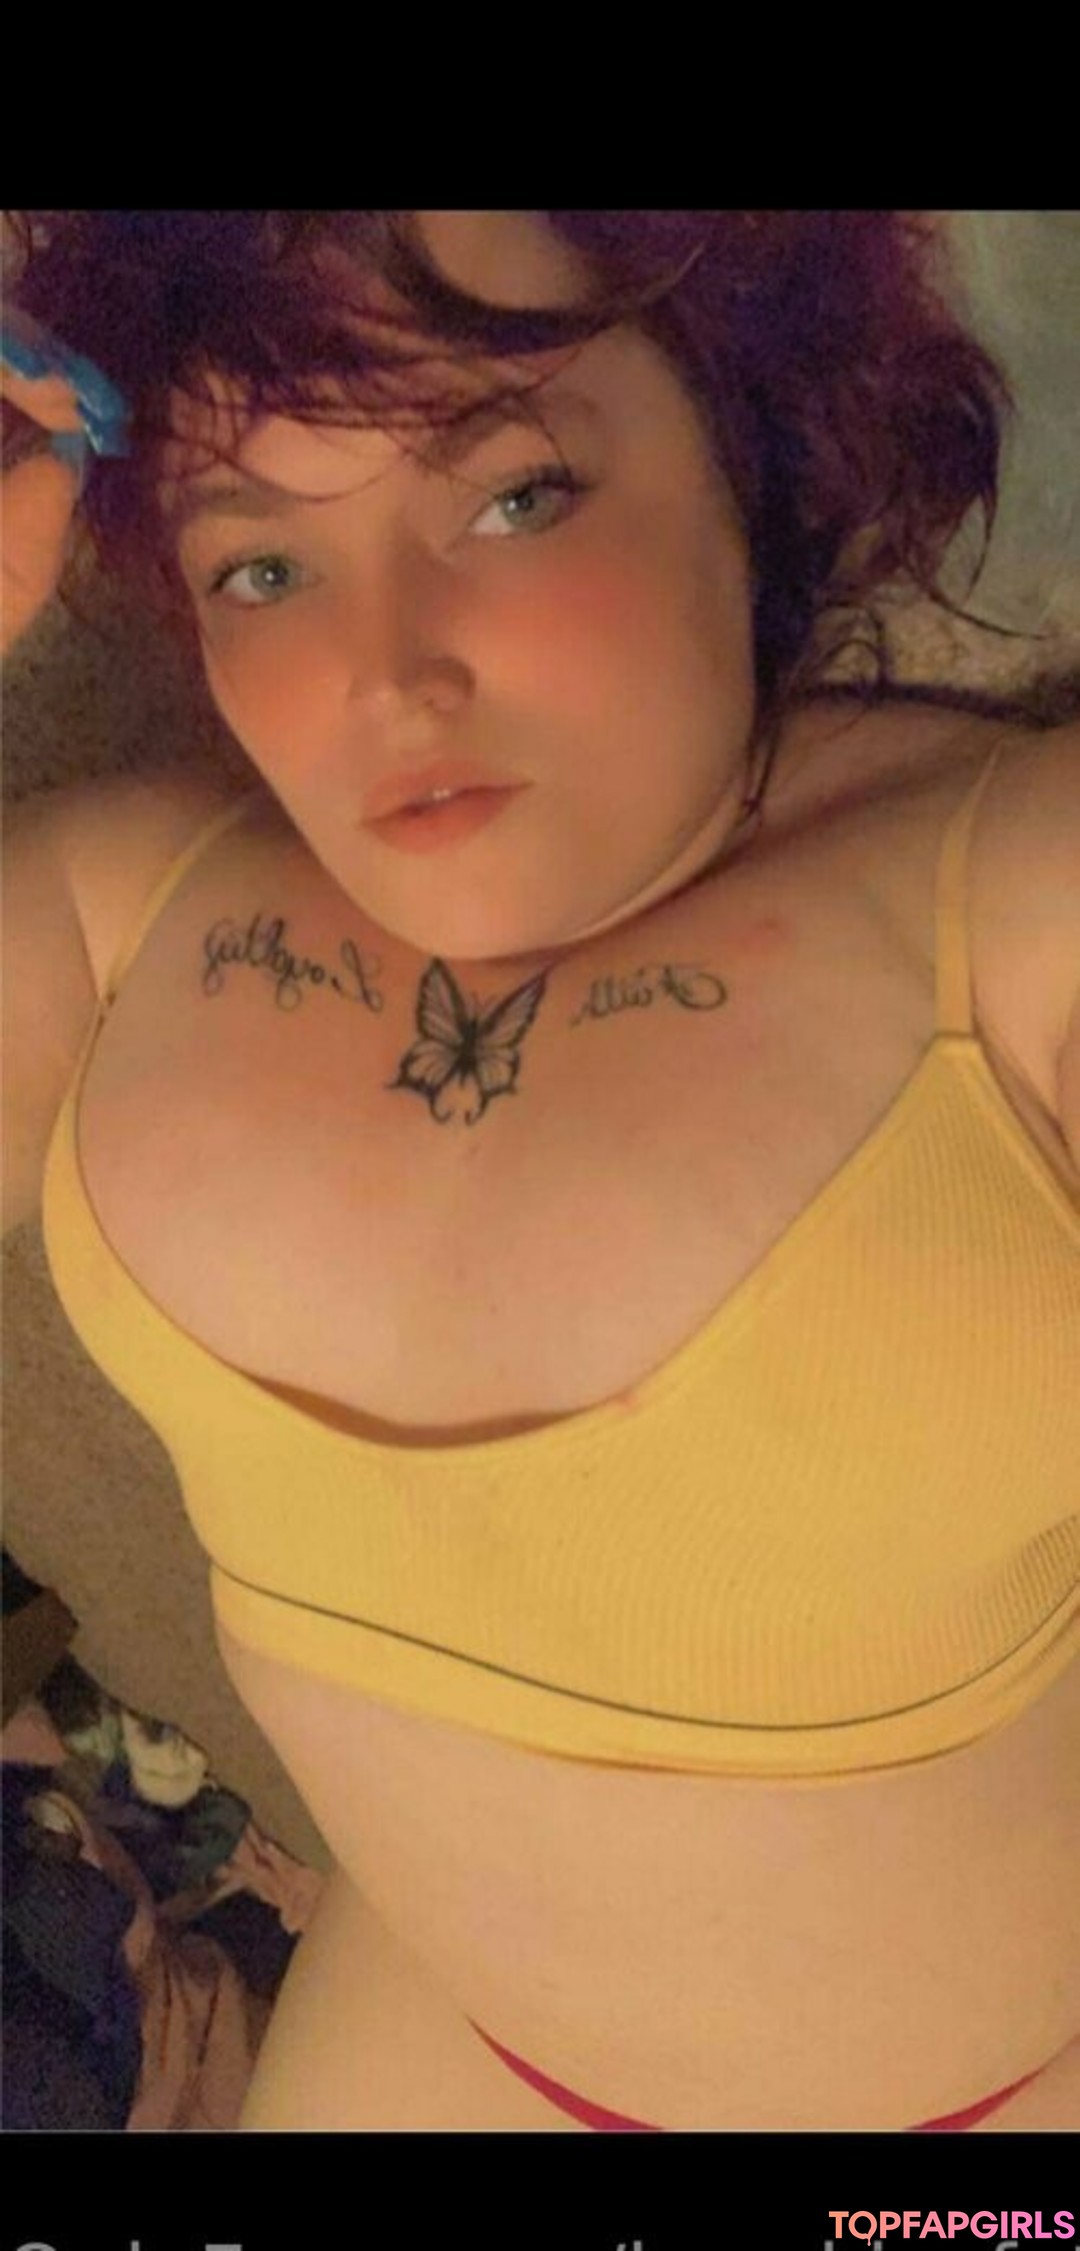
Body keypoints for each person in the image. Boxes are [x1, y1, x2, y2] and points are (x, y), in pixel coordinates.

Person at [2, 209, 1078, 2133]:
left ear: (747, 442)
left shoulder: (1019, 909)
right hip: (446, 2049)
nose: (388, 675)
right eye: (264, 564)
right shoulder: (118, 905)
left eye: (514, 497)